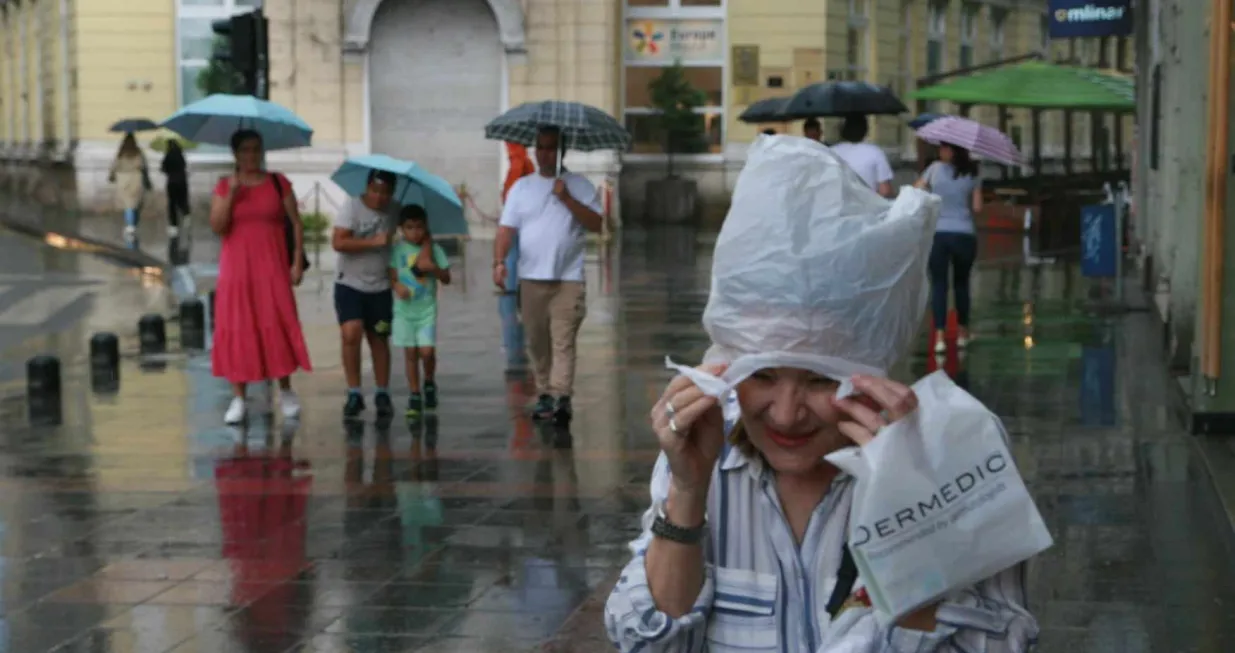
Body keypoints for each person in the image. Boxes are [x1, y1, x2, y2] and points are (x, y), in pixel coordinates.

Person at [604, 135, 1037, 653]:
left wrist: (914, 518)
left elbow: (1001, 642)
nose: (785, 415)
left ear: (870, 372)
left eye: (820, 380)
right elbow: (652, 644)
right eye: (762, 376)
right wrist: (687, 493)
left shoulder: (952, 458)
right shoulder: (703, 455)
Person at [493, 127, 604, 424]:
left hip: (568, 279)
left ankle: (562, 396)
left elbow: (597, 224)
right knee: (537, 340)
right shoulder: (522, 188)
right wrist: (499, 261)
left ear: (561, 151)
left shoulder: (578, 185)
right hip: (531, 279)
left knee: (563, 340)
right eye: (540, 147)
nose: (545, 153)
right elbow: (506, 229)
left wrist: (566, 198)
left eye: (551, 148)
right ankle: (544, 393)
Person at [210, 129, 311, 425]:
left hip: (272, 266)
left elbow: (296, 223)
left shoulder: (278, 183)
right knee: (238, 326)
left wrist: (296, 262)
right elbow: (218, 226)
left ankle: (287, 391)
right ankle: (239, 397)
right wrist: (231, 194)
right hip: (237, 270)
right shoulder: (224, 186)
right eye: (245, 150)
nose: (251, 155)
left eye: (256, 149)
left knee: (276, 323)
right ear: (235, 155)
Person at [332, 170, 398, 419]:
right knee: (351, 332)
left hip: (380, 286)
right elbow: (338, 242)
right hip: (349, 283)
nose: (380, 197)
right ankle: (354, 392)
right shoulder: (351, 205)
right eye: (375, 190)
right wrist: (373, 243)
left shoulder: (395, 210)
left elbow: (415, 234)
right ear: (368, 187)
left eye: (385, 193)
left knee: (379, 338)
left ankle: (382, 391)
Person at [915, 143, 983, 354]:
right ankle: (962, 333)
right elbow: (977, 208)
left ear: (952, 150)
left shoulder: (934, 169)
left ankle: (940, 337)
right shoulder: (973, 172)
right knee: (961, 284)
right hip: (964, 234)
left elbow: (916, 190)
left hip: (938, 235)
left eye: (944, 148)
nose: (940, 152)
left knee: (939, 285)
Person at [389, 205, 451, 417]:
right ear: (401, 229)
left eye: (419, 227)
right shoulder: (397, 250)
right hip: (404, 311)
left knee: (426, 352)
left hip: (426, 310)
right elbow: (392, 275)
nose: (415, 232)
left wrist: (433, 267)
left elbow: (447, 278)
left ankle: (429, 381)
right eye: (409, 227)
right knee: (410, 353)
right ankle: (414, 393)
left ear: (426, 227)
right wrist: (397, 286)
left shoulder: (434, 250)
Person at [830, 114, 895, 198]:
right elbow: (885, 191)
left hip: (838, 207)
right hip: (869, 208)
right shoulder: (875, 152)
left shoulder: (831, 152)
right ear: (865, 130)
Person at [109, 133, 150, 240]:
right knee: (135, 203)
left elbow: (115, 165)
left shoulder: (121, 153)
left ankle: (130, 226)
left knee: (128, 204)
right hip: (136, 178)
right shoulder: (138, 152)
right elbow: (144, 166)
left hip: (123, 179)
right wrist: (147, 180)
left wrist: (111, 176)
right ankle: (133, 225)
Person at [161, 139, 190, 239]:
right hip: (182, 181)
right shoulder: (181, 155)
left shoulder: (168, 156)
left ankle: (174, 226)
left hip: (172, 182)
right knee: (183, 200)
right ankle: (186, 217)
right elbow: (184, 166)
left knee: (172, 204)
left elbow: (163, 168)